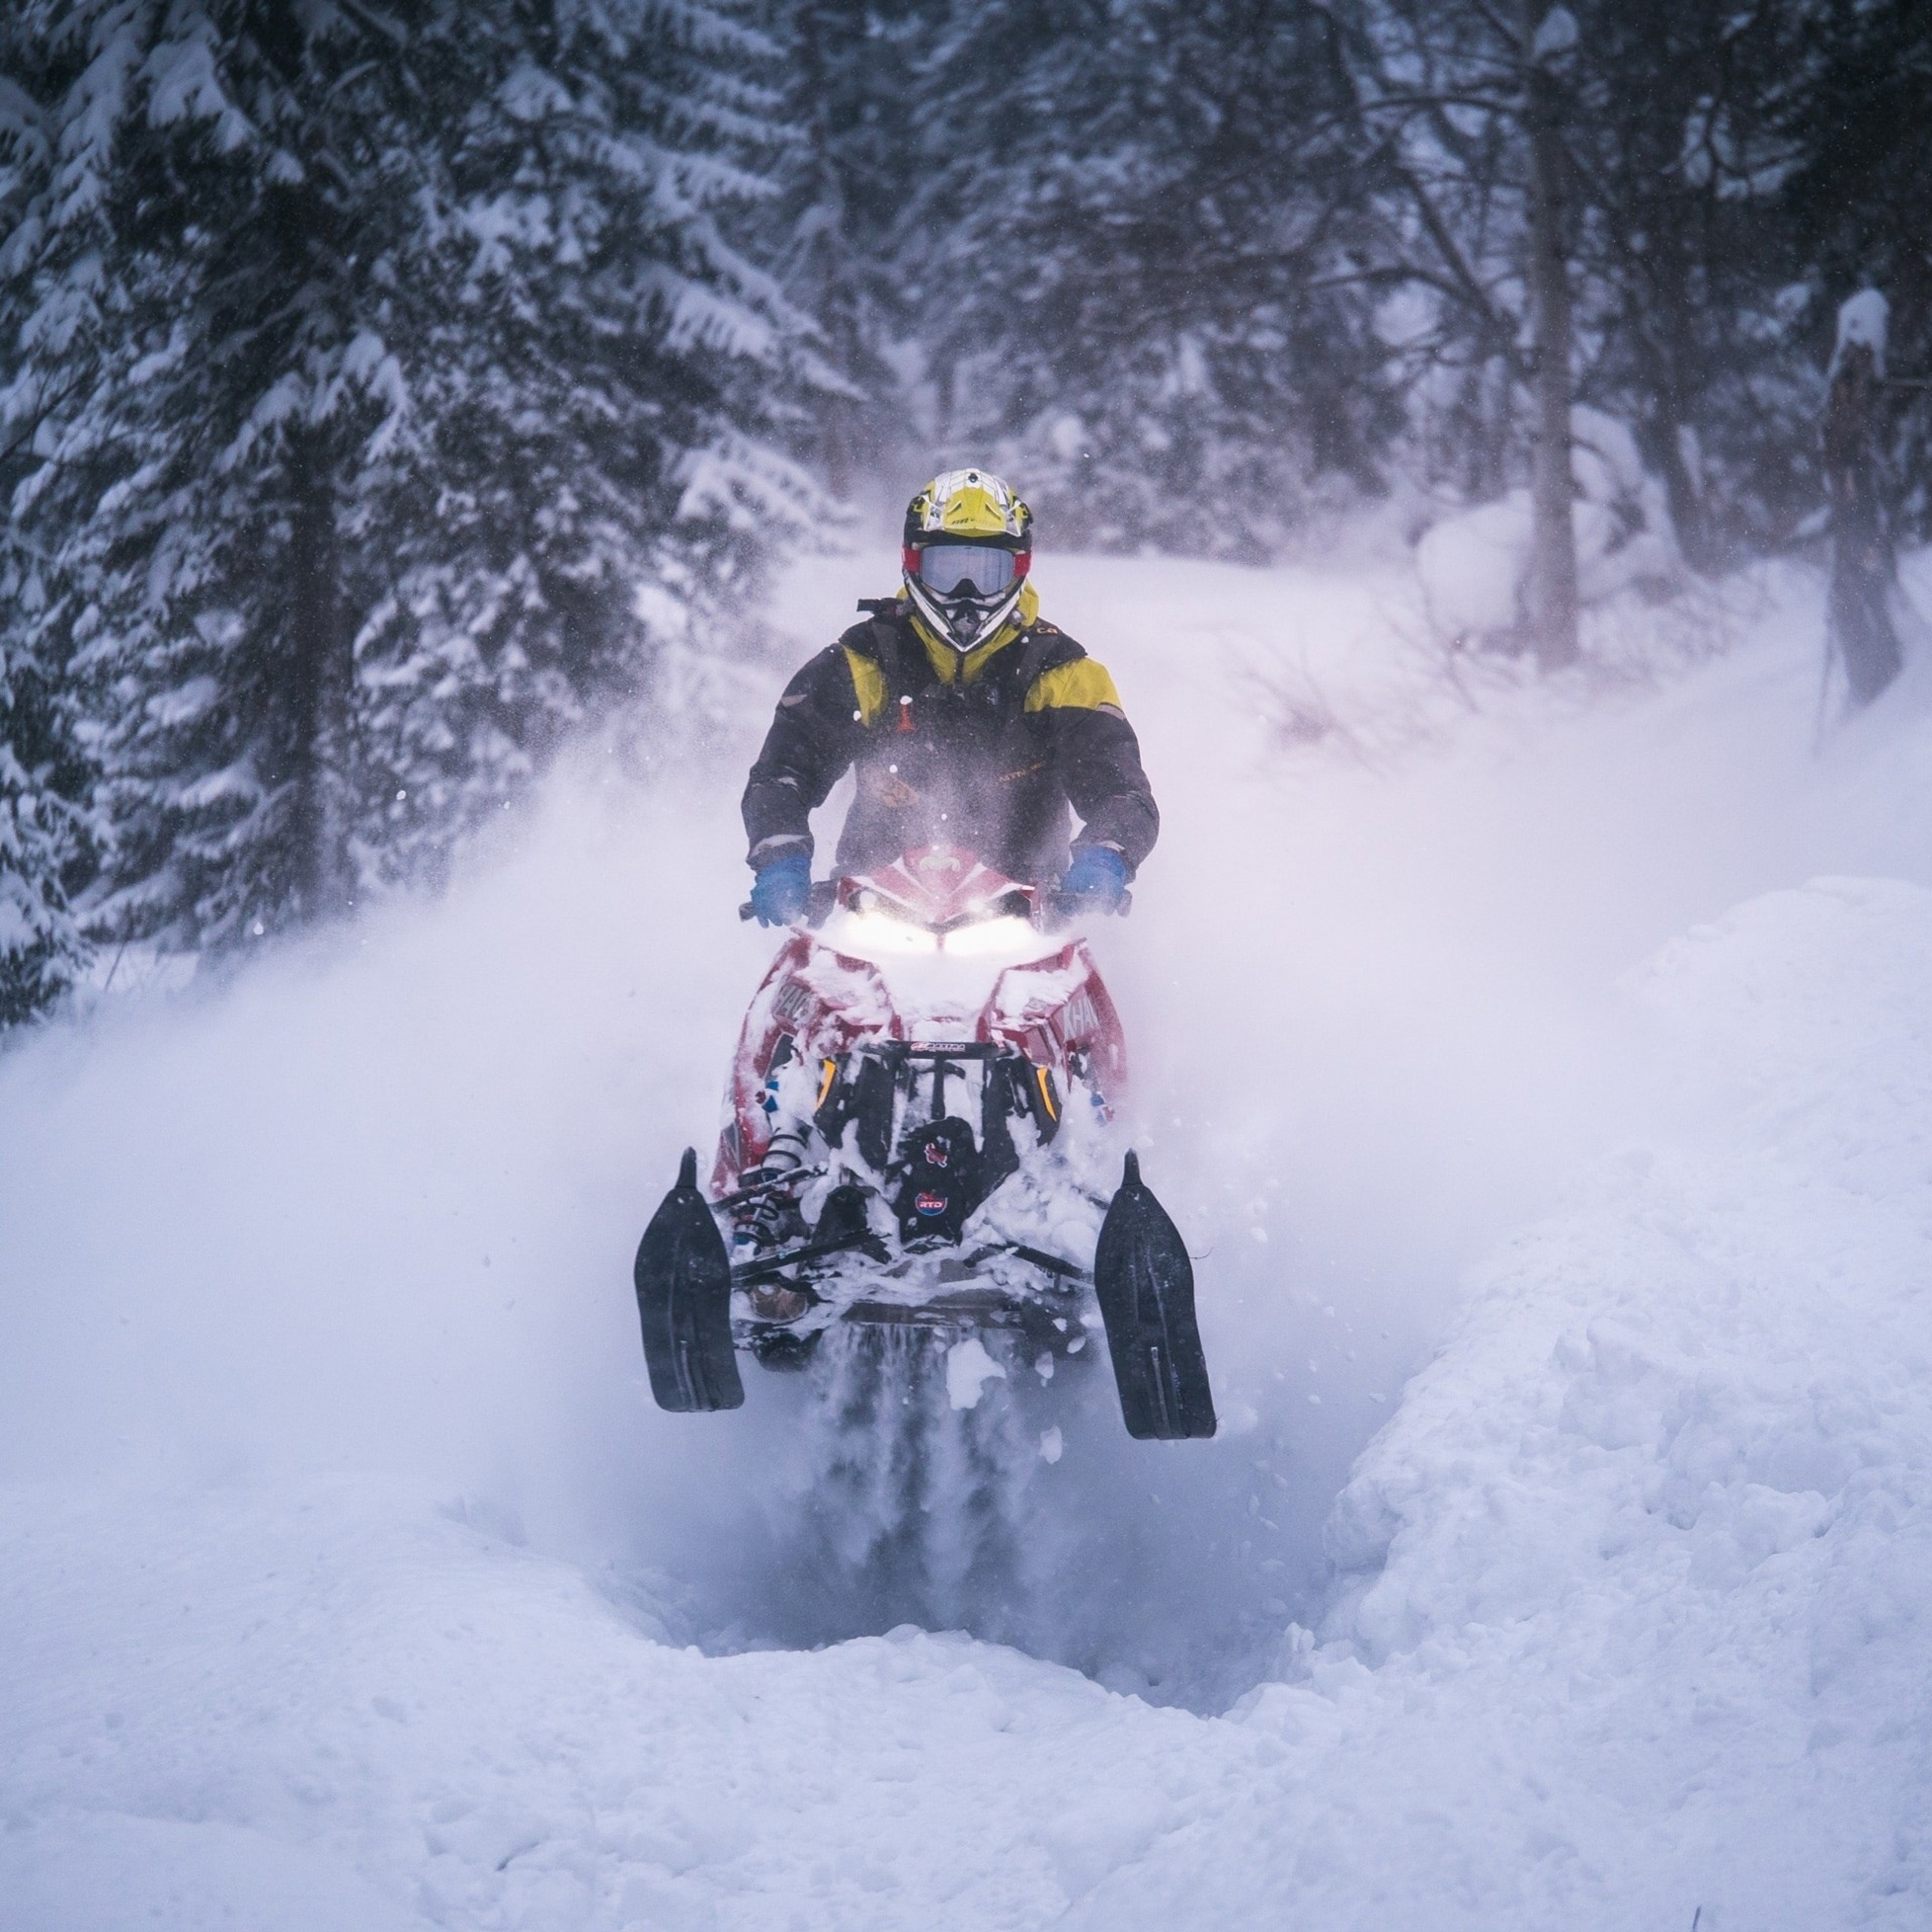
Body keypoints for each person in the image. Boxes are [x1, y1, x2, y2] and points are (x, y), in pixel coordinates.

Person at [741, 469, 1158, 924]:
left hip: (1032, 913)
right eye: (948, 571)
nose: (966, 596)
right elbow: (784, 773)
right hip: (868, 908)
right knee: (806, 981)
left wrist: (1105, 858)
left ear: (1019, 569)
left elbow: (1121, 791)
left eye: (986, 573)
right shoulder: (863, 661)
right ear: (913, 563)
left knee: (1081, 989)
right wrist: (781, 858)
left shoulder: (1064, 674)